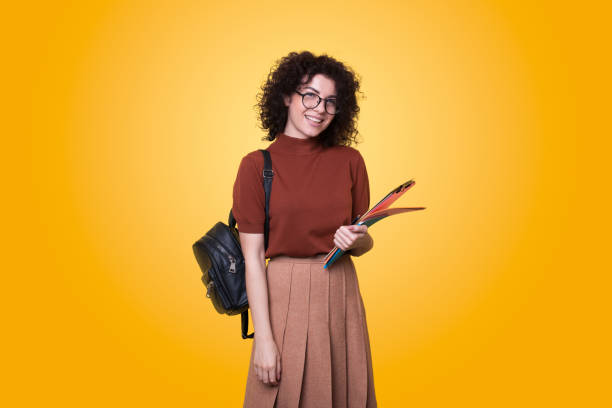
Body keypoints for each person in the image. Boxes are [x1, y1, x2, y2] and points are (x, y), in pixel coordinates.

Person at [232, 51, 377, 408]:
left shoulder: (350, 161)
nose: (320, 109)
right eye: (310, 95)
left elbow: (365, 239)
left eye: (330, 101)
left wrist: (357, 240)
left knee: (346, 393)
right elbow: (252, 260)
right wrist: (263, 339)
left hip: (341, 290)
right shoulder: (255, 166)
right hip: (282, 293)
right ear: (286, 96)